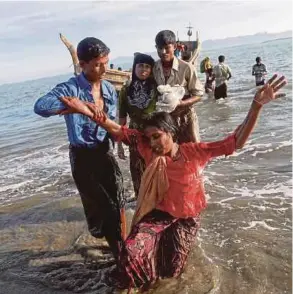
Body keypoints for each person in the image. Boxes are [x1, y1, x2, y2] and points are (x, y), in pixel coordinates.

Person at [59, 74, 287, 291]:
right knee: (132, 251)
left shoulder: (195, 153)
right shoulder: (147, 148)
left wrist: (256, 106)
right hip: (158, 215)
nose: (153, 143)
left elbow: (235, 142)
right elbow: (114, 128)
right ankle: (132, 285)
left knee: (171, 272)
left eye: (157, 136)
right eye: (149, 138)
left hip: (186, 219)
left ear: (170, 132)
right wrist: (86, 111)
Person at [34, 37, 126, 261]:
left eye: (106, 62)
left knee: (119, 200)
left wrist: (123, 143)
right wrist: (77, 106)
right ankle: (120, 257)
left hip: (105, 151)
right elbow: (40, 106)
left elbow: (112, 122)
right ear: (82, 64)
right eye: (97, 64)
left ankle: (121, 245)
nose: (104, 69)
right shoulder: (70, 88)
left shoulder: (107, 88)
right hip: (82, 157)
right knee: (104, 206)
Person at [153, 30, 204, 143]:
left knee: (192, 150)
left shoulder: (186, 67)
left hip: (185, 117)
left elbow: (199, 94)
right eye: (160, 48)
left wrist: (181, 103)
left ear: (175, 46)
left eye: (167, 48)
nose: (163, 52)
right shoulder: (154, 68)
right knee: (169, 153)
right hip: (165, 119)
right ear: (156, 47)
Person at [118, 53, 157, 197]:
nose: (143, 70)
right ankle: (142, 203)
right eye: (140, 66)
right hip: (135, 136)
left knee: (158, 168)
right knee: (138, 170)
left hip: (156, 134)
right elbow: (122, 119)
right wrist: (120, 145)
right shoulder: (125, 90)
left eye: (147, 67)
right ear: (134, 68)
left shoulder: (157, 87)